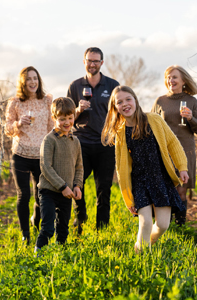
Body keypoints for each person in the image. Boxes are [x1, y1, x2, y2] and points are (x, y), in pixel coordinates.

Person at [101, 86, 188, 252]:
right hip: (139, 182)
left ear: (135, 100)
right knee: (145, 222)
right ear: (115, 107)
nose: (125, 104)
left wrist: (182, 167)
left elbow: (172, 143)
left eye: (128, 99)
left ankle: (142, 245)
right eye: (119, 102)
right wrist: (128, 197)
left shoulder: (153, 120)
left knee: (163, 224)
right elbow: (122, 169)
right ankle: (142, 256)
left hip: (160, 178)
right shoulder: (120, 133)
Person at [66, 47, 121, 233]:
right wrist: (78, 110)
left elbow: (119, 113)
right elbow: (65, 116)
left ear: (101, 63)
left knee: (104, 188)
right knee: (76, 183)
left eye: (96, 61)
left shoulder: (113, 85)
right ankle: (80, 217)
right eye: (89, 60)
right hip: (81, 142)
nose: (92, 64)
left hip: (106, 144)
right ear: (84, 62)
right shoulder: (75, 86)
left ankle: (102, 229)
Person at [4, 66, 54, 244]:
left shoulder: (46, 101)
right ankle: (25, 234)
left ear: (38, 81)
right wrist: (18, 123)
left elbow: (50, 127)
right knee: (23, 195)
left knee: (41, 194)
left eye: (35, 78)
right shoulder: (15, 102)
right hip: (21, 154)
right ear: (23, 82)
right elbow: (8, 129)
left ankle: (36, 220)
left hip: (41, 155)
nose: (32, 82)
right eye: (29, 79)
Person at [150, 65, 197, 225]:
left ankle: (180, 226)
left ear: (183, 81)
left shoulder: (191, 101)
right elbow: (150, 126)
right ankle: (161, 225)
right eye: (168, 77)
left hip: (185, 151)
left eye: (174, 77)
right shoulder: (160, 101)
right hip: (164, 151)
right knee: (162, 190)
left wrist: (191, 118)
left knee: (181, 191)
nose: (170, 80)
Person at [36, 97, 83, 250]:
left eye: (70, 118)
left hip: (67, 193)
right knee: (48, 227)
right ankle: (39, 256)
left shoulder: (75, 141)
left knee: (63, 228)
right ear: (54, 118)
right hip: (49, 191)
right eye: (62, 119)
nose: (67, 122)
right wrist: (62, 186)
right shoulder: (49, 140)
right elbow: (45, 167)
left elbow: (79, 167)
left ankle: (60, 255)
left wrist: (77, 185)